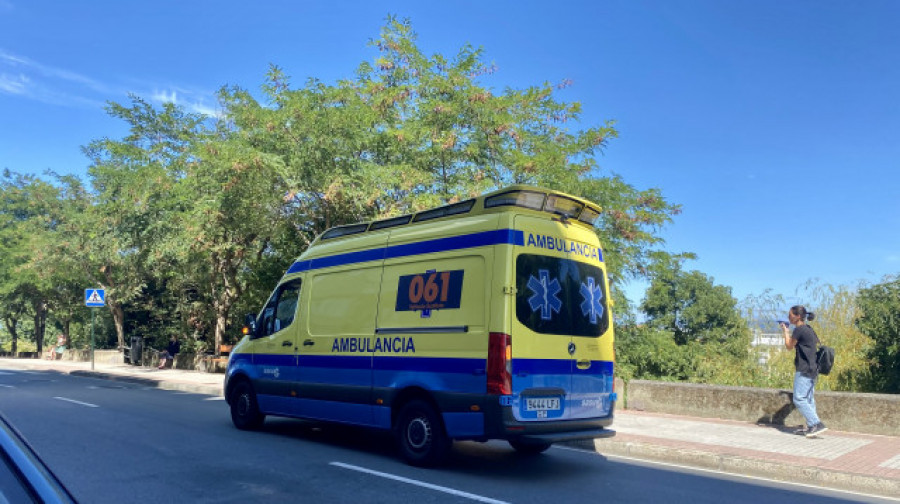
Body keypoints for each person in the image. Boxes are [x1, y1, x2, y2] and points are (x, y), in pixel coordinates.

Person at [781, 305, 826, 438]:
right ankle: (812, 426)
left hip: (804, 368)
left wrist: (786, 331)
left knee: (799, 398)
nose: (789, 317)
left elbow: (789, 346)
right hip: (813, 369)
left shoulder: (799, 330)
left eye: (790, 315)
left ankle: (816, 423)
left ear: (798, 316)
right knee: (808, 398)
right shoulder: (808, 329)